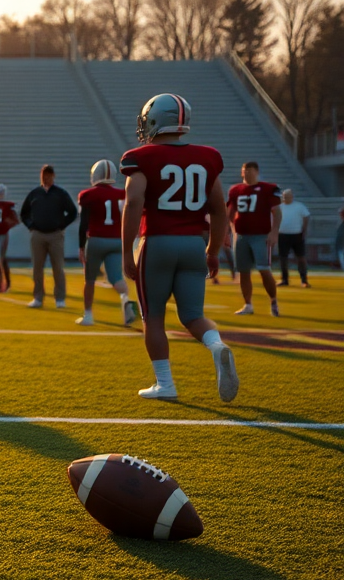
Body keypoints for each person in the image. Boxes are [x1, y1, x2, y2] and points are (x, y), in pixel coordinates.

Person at [120, 92, 237, 402]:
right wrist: (212, 251)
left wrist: (126, 252)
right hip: (193, 245)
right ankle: (216, 346)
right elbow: (219, 210)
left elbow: (133, 204)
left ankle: (165, 384)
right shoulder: (208, 156)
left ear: (156, 120)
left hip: (157, 242)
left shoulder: (140, 157)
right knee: (193, 316)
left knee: (154, 316)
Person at [76, 160, 138, 326]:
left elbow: (84, 224)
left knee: (89, 280)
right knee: (116, 278)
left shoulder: (88, 194)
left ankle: (88, 315)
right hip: (117, 241)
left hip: (96, 240)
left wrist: (81, 246)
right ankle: (125, 300)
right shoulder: (122, 194)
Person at [227, 161, 282, 316]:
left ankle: (273, 301)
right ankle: (248, 304)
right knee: (243, 272)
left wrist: (274, 232)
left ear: (257, 171)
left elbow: (276, 212)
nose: (247, 173)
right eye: (244, 170)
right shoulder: (235, 190)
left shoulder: (269, 188)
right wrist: (231, 230)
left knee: (264, 269)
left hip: (261, 235)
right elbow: (230, 213)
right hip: (242, 236)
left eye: (250, 170)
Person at [20, 164, 77, 308]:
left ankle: (60, 298)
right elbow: (24, 213)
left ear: (54, 176)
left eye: (50, 175)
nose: (47, 177)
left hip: (55, 235)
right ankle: (38, 298)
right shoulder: (35, 194)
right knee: (37, 268)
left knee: (58, 267)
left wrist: (61, 225)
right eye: (45, 175)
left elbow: (72, 212)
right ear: (41, 176)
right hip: (38, 234)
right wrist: (31, 226)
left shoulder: (60, 193)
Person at [276, 189, 311, 288]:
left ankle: (304, 280)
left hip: (296, 235)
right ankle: (284, 279)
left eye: (287, 196)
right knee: (283, 258)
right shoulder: (279, 207)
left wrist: (304, 230)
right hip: (282, 235)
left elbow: (306, 217)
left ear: (292, 196)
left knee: (301, 257)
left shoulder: (299, 206)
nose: (285, 198)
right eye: (284, 196)